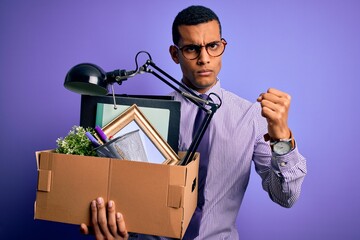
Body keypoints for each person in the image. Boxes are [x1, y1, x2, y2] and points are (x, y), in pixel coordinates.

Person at [80, 5, 307, 240]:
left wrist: (282, 139)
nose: (204, 59)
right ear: (174, 54)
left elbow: (286, 197)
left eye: (213, 46)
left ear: (223, 46)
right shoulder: (146, 117)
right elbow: (126, 191)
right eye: (191, 49)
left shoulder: (250, 116)